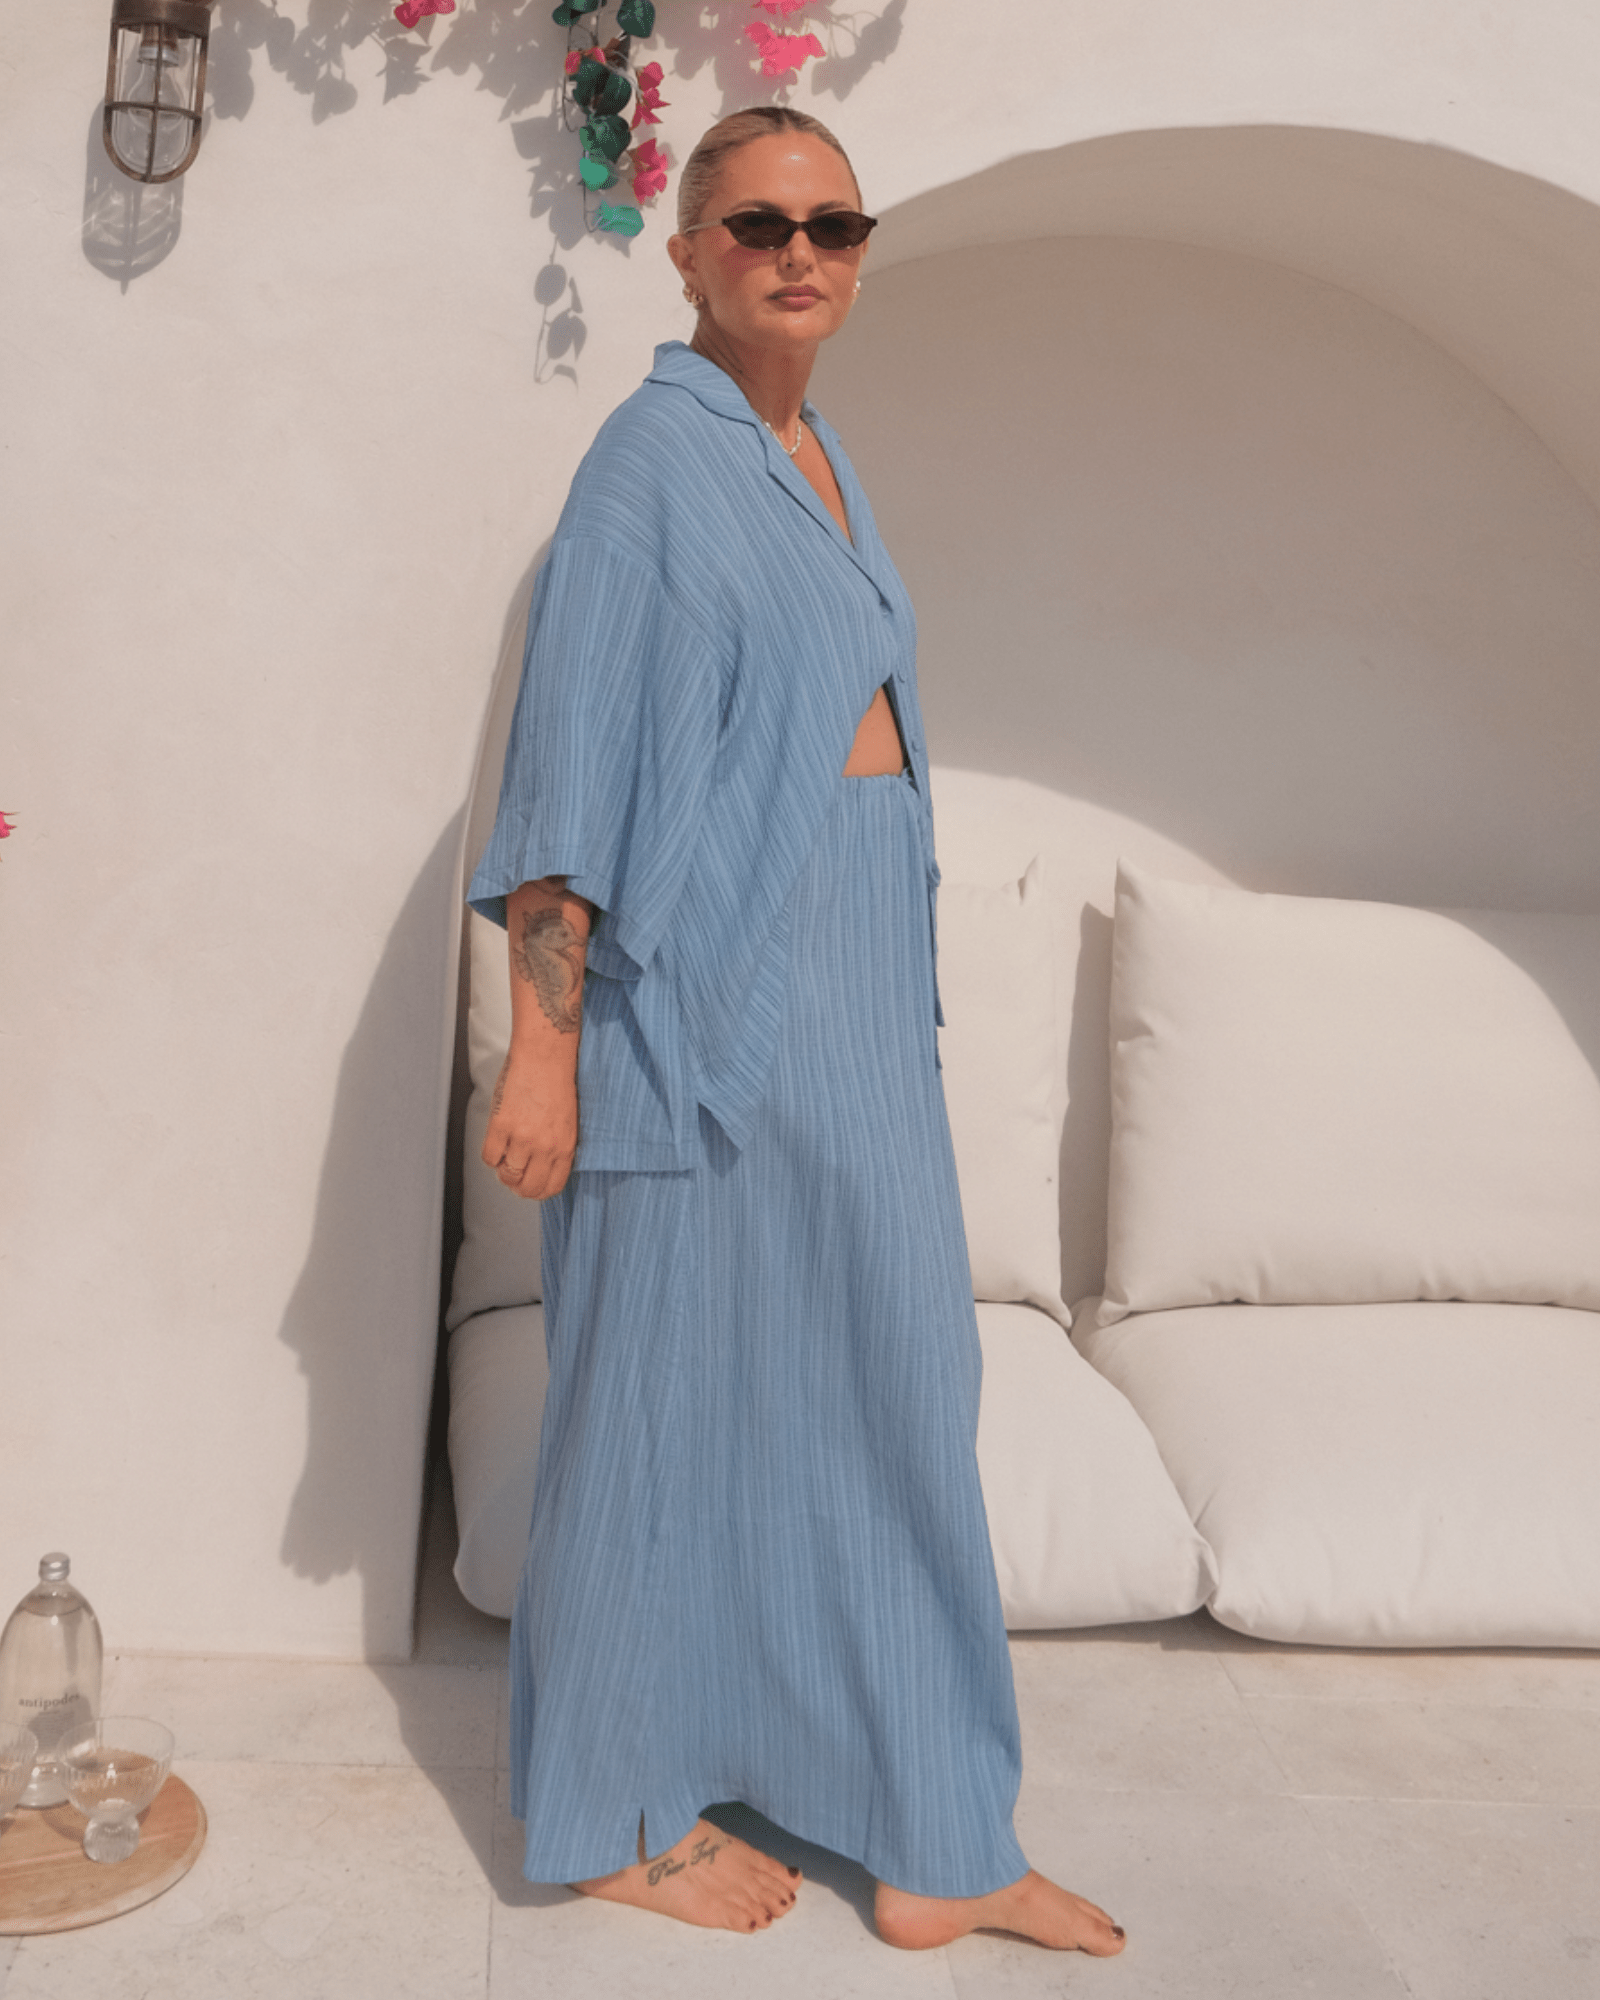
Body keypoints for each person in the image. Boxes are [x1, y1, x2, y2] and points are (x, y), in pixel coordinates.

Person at [468, 104, 1127, 1959]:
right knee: (649, 1406)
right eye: (757, 223)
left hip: (851, 996)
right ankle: (615, 1810)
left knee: (892, 1391)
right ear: (687, 252)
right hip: (693, 1005)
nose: (799, 252)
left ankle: (935, 1832)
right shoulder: (648, 466)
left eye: (833, 223)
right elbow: (568, 769)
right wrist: (545, 1053)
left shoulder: (816, 452)